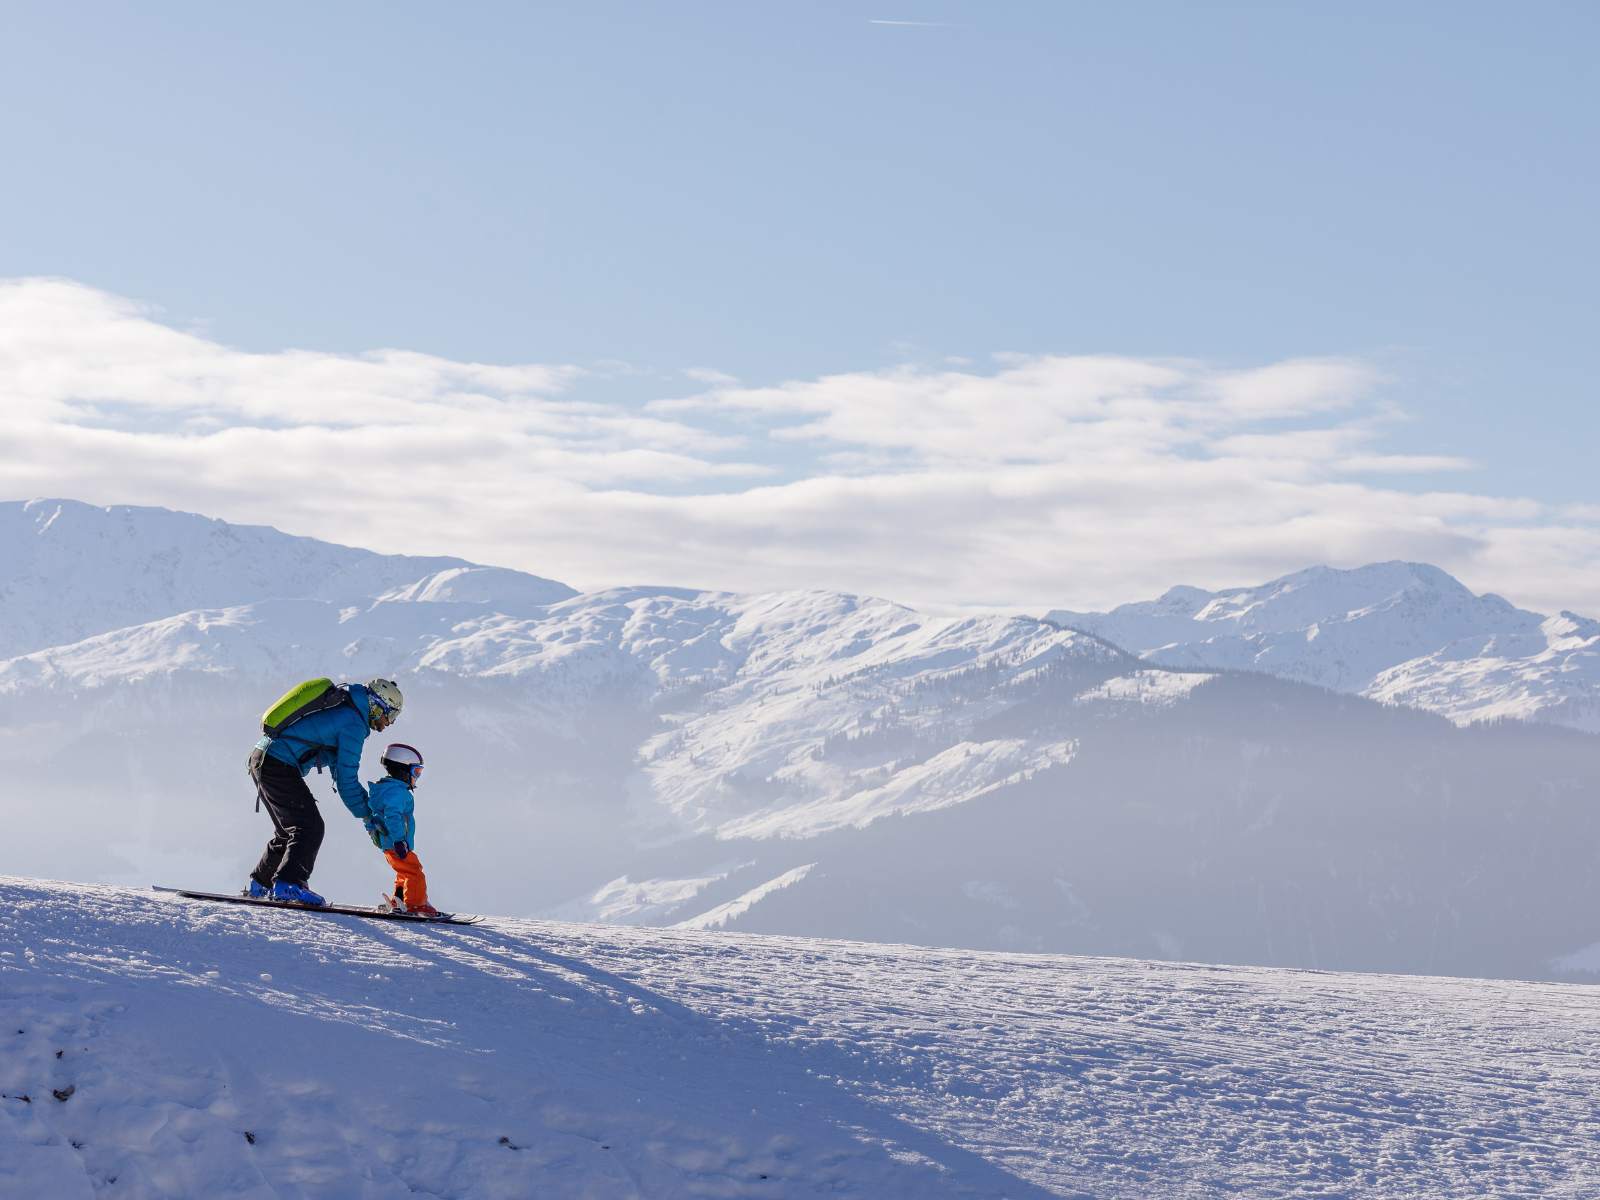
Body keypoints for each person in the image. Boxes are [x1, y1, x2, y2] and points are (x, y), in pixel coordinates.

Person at [246, 677, 404, 905]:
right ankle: (289, 883)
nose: (389, 722)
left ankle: (261, 884)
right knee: (309, 827)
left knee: (289, 830)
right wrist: (369, 819)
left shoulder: (344, 708)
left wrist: (366, 817)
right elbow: (347, 782)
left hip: (262, 758)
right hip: (276, 763)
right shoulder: (354, 724)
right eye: (390, 714)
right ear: (377, 705)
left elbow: (340, 774)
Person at [364, 743, 437, 916]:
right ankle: (416, 904)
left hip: (389, 844)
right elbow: (392, 815)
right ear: (403, 771)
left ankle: (400, 901)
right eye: (416, 772)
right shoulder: (398, 793)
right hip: (396, 843)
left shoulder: (384, 790)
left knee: (403, 872)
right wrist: (399, 840)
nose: (417, 778)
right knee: (414, 871)